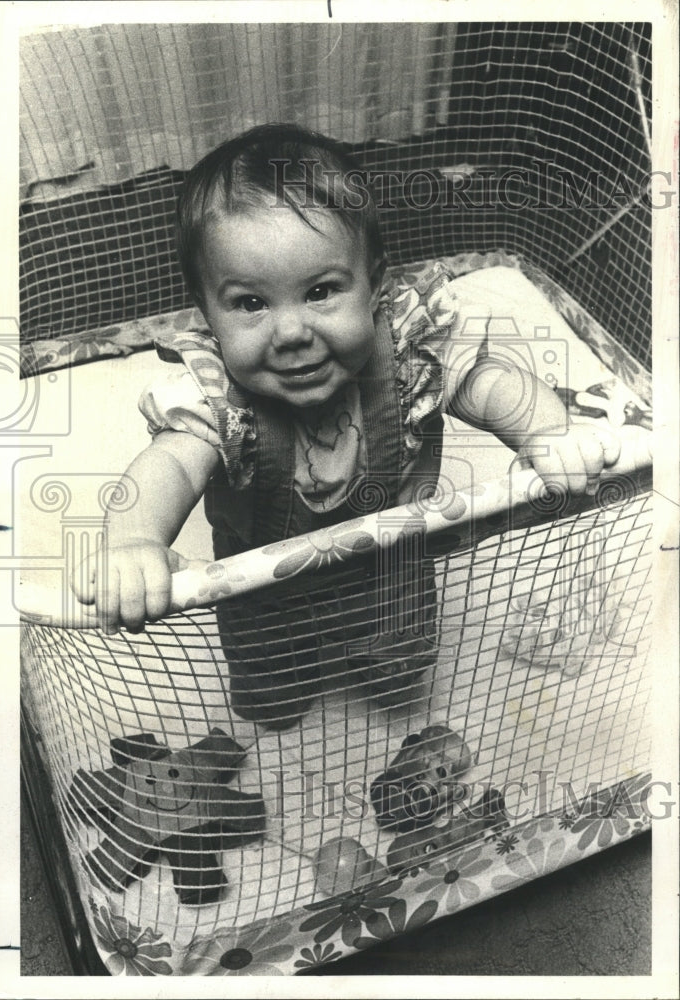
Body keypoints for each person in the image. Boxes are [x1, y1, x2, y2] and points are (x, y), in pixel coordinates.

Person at [72, 123, 621, 729]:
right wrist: (134, 541)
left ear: (375, 286)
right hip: (263, 598)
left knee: (399, 675)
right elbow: (171, 463)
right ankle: (281, 692)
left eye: (321, 291)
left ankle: (389, 671)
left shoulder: (412, 352)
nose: (291, 333)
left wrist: (548, 430)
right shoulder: (214, 396)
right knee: (272, 703)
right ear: (207, 315)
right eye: (250, 304)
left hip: (390, 573)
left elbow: (486, 381)